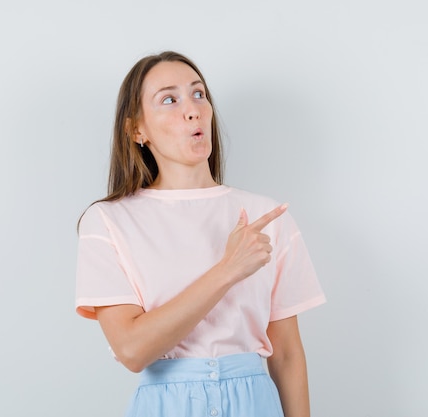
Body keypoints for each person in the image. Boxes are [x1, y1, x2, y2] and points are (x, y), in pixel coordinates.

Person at [75, 51, 326, 417]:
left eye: (199, 94)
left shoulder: (265, 215)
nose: (192, 109)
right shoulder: (108, 221)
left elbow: (287, 354)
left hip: (256, 403)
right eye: (169, 99)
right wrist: (228, 270)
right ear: (136, 130)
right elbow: (131, 350)